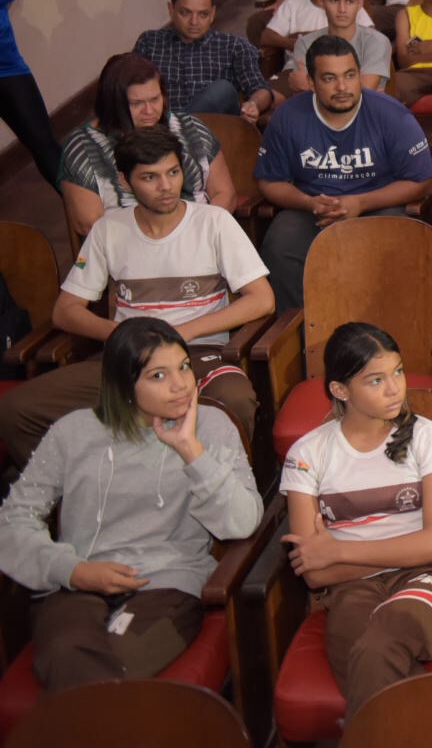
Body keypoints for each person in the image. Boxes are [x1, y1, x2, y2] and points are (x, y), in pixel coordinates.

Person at [0, 317, 261, 694]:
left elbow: (242, 523)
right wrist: (71, 570)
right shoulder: (73, 431)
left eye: (184, 367)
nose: (181, 385)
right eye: (158, 376)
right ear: (123, 384)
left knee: (117, 664)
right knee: (64, 651)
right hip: (80, 582)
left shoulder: (213, 426)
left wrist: (191, 452)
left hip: (167, 585)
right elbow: (13, 521)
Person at [0, 128, 271, 466]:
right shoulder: (109, 229)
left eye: (173, 172)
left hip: (197, 354)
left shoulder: (213, 222)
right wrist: (121, 335)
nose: (166, 186)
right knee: (15, 410)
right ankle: (84, 496)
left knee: (235, 399)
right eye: (150, 177)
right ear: (125, 181)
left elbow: (262, 299)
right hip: (127, 358)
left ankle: (225, 499)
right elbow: (65, 311)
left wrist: (184, 332)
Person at [280, 322, 432, 721]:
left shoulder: (426, 436)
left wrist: (340, 551)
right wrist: (412, 548)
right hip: (353, 591)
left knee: (378, 645)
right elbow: (314, 574)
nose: (394, 388)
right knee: (369, 657)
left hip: (429, 577)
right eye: (376, 379)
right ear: (340, 390)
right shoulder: (307, 454)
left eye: (398, 372)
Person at [255, 36, 432, 310]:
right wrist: (308, 202)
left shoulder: (391, 115)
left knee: (397, 241)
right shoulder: (288, 117)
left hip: (378, 206)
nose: (342, 87)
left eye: (349, 75)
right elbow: (269, 182)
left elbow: (421, 181)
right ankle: (299, 338)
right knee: (280, 242)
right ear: (312, 83)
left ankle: (389, 335)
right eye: (329, 78)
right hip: (313, 209)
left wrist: (360, 203)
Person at [61, 54, 233, 238]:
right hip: (128, 250)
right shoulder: (83, 146)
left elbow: (225, 193)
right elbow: (89, 224)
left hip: (201, 237)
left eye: (155, 99)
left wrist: (199, 235)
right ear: (113, 103)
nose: (149, 111)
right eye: (136, 104)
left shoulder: (190, 128)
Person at [134, 0, 272, 121]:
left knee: (221, 90)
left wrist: (254, 104)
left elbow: (260, 89)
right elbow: (127, 87)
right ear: (171, 10)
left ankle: (178, 131)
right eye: (185, 13)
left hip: (213, 131)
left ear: (212, 14)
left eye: (203, 14)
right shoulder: (150, 42)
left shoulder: (234, 46)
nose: (194, 22)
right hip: (159, 127)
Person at [261, 0, 380, 92]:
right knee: (269, 96)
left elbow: (371, 39)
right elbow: (267, 36)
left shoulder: (348, 6)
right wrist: (295, 43)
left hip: (341, 74)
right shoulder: (294, 3)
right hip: (297, 72)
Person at [286, 0, 395, 95]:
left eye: (349, 1)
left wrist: (310, 86)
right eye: (334, 1)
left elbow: (364, 91)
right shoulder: (305, 43)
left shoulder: (376, 41)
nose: (342, 9)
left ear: (360, 3)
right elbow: (302, 96)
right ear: (322, 1)